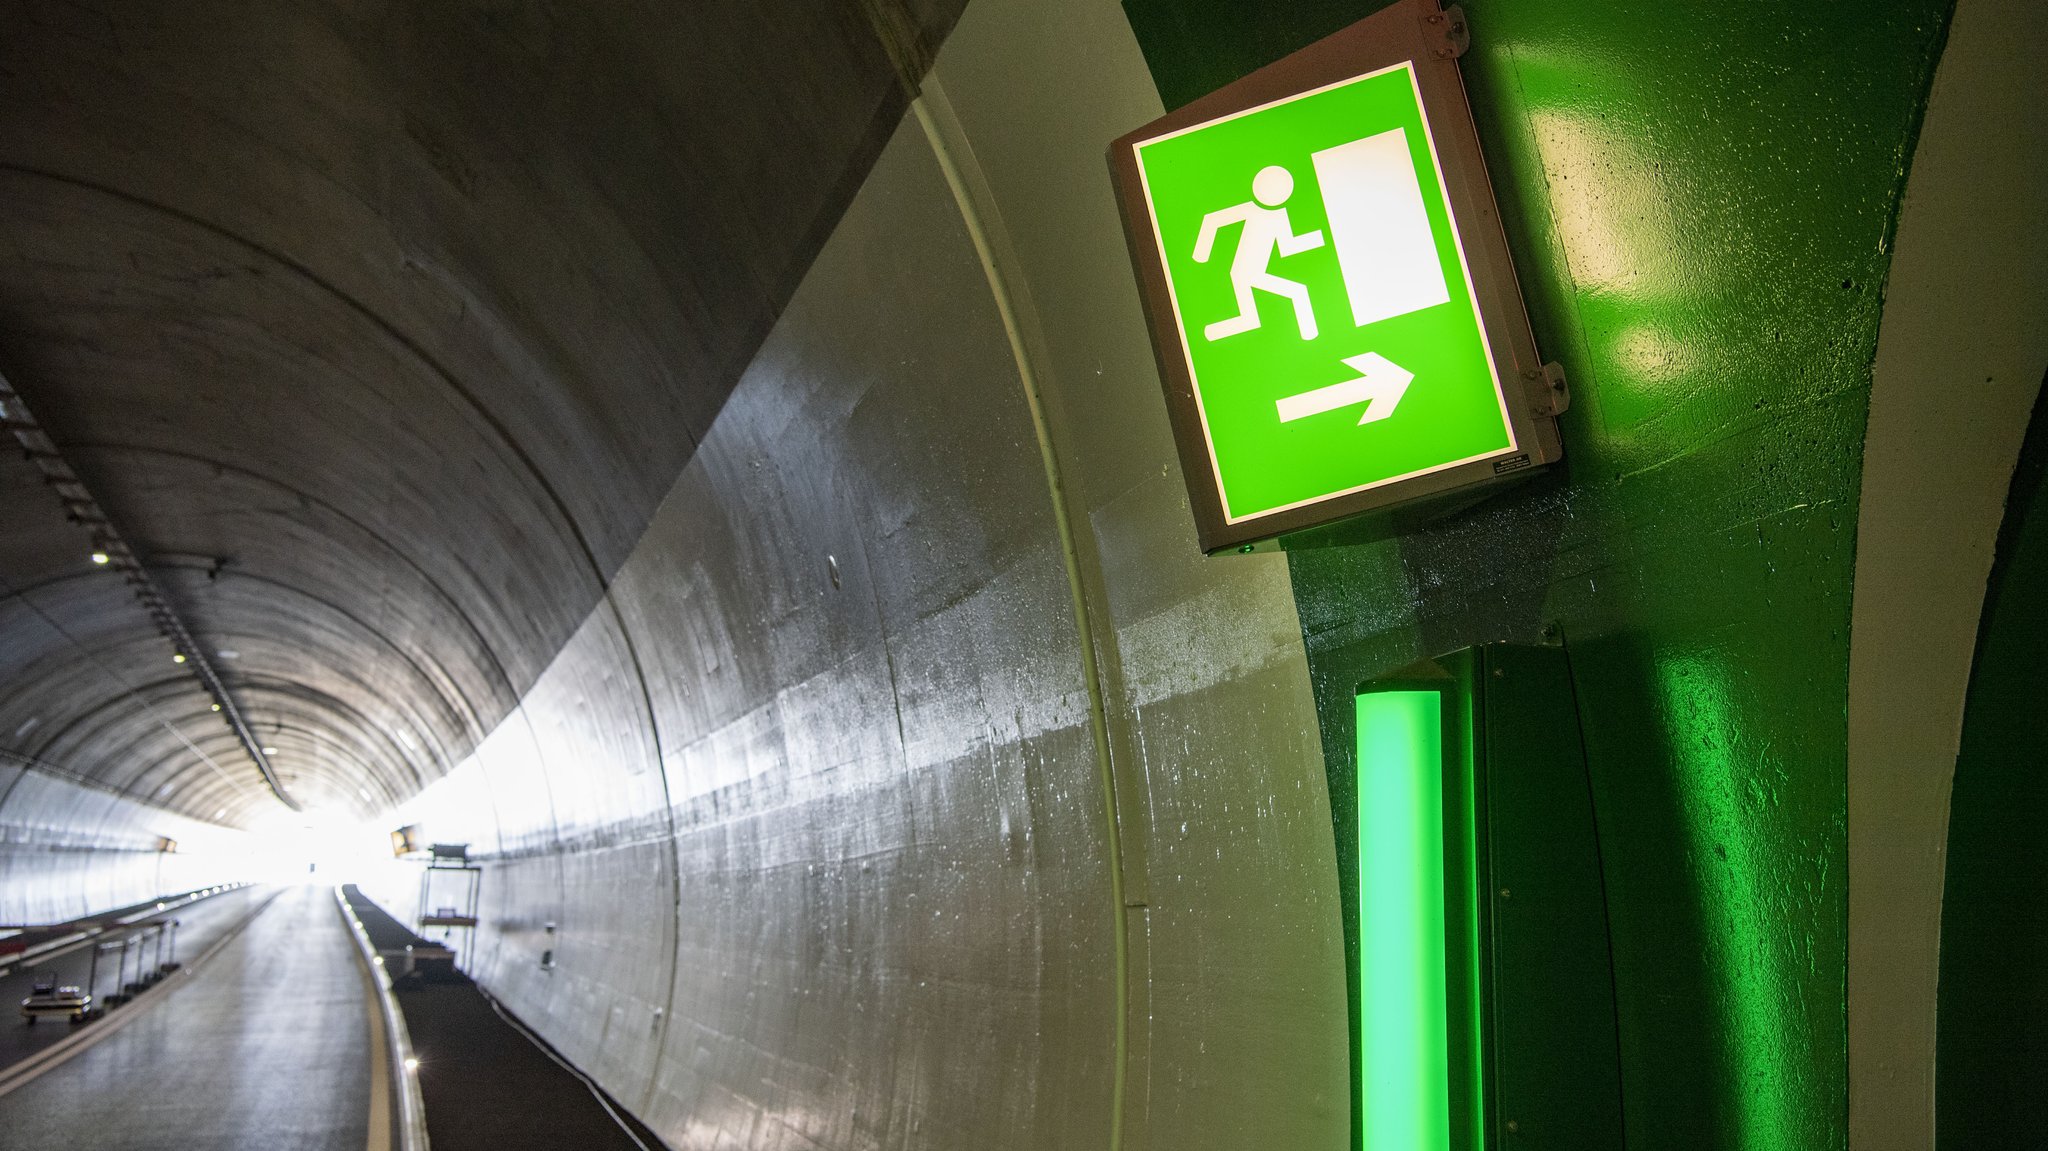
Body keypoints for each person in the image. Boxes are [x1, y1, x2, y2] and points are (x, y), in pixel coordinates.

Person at [1193, 165, 1326, 342]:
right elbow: (1213, 220)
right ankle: (1310, 334)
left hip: (1253, 272)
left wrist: (1316, 238)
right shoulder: (1248, 209)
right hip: (1245, 272)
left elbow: (1287, 247)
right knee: (1297, 292)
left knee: (1251, 317)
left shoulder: (1280, 216)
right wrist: (1201, 253)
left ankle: (1211, 332)